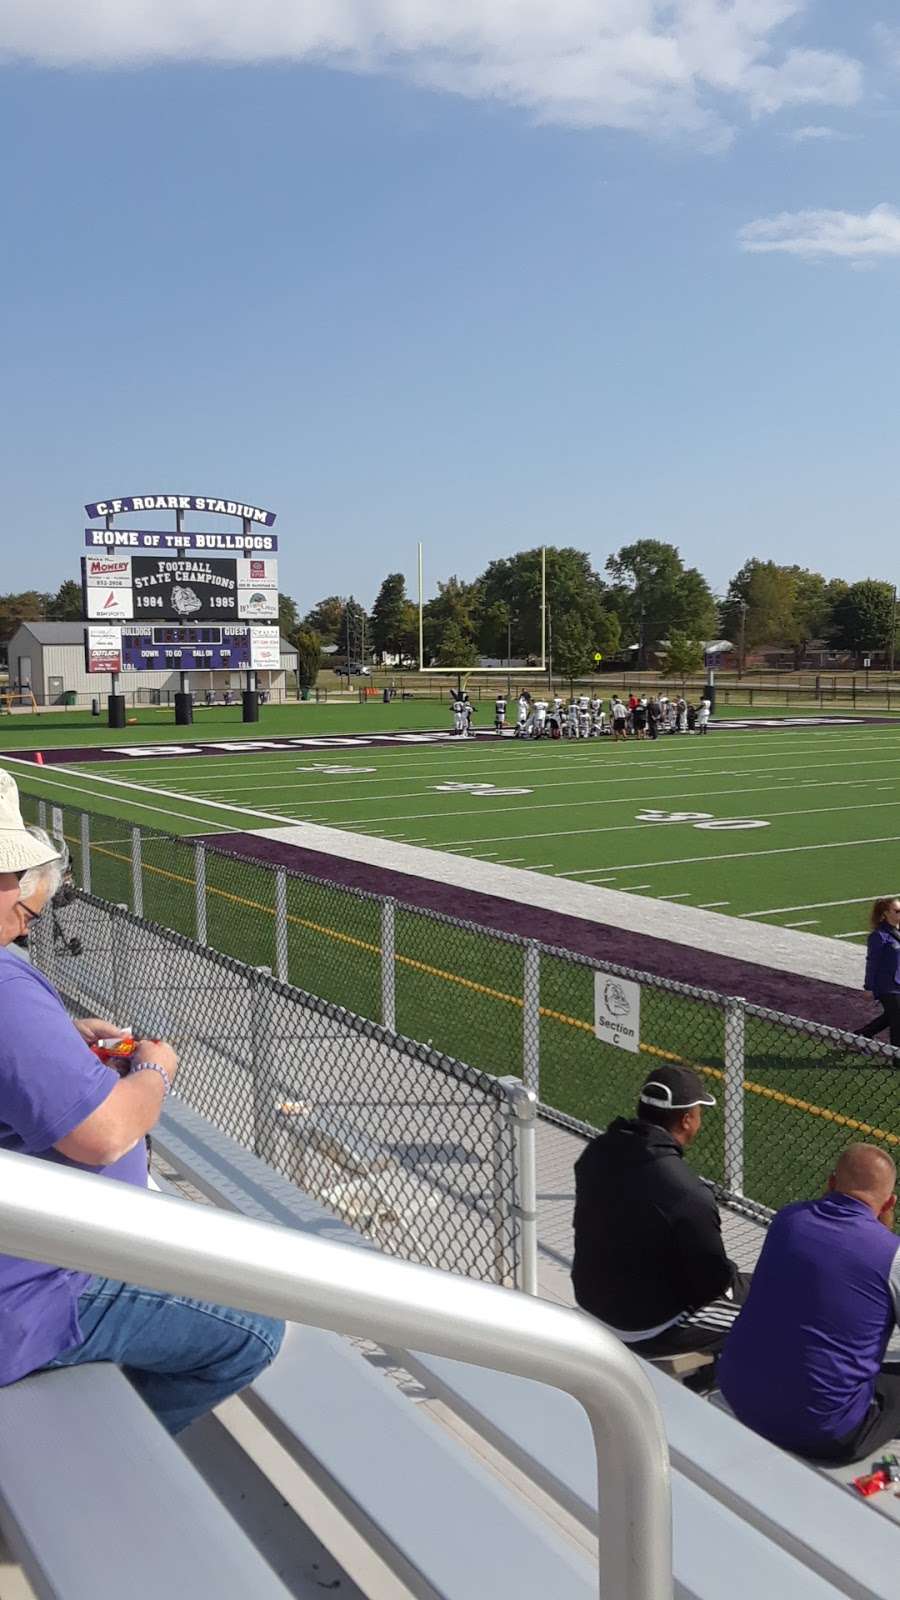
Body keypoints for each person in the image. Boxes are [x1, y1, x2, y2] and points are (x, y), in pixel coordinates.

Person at [0, 773, 284, 1434]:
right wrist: (154, 1070)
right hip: (33, 1288)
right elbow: (103, 1135)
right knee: (256, 1325)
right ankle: (95, 1467)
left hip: (42, 1250)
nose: (22, 895)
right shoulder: (5, 989)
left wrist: (57, 1039)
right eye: (11, 871)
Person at [718, 1146, 900, 1465]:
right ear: (890, 1203)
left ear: (830, 1183)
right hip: (824, 1432)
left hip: (739, 1394)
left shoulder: (789, 1219)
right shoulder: (892, 1256)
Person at [572, 1064, 750, 1360]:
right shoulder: (688, 1193)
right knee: (768, 1302)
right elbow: (713, 1283)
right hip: (645, 1326)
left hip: (591, 1298)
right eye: (698, 1112)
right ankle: (709, 1379)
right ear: (687, 1120)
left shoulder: (597, 1151)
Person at [856, 897, 900, 1047]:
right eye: (897, 911)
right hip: (887, 985)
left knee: (891, 1016)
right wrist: (868, 987)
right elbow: (872, 962)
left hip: (898, 983)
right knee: (897, 1019)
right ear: (886, 913)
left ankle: (862, 1035)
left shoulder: (897, 932)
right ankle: (897, 1058)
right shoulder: (879, 936)